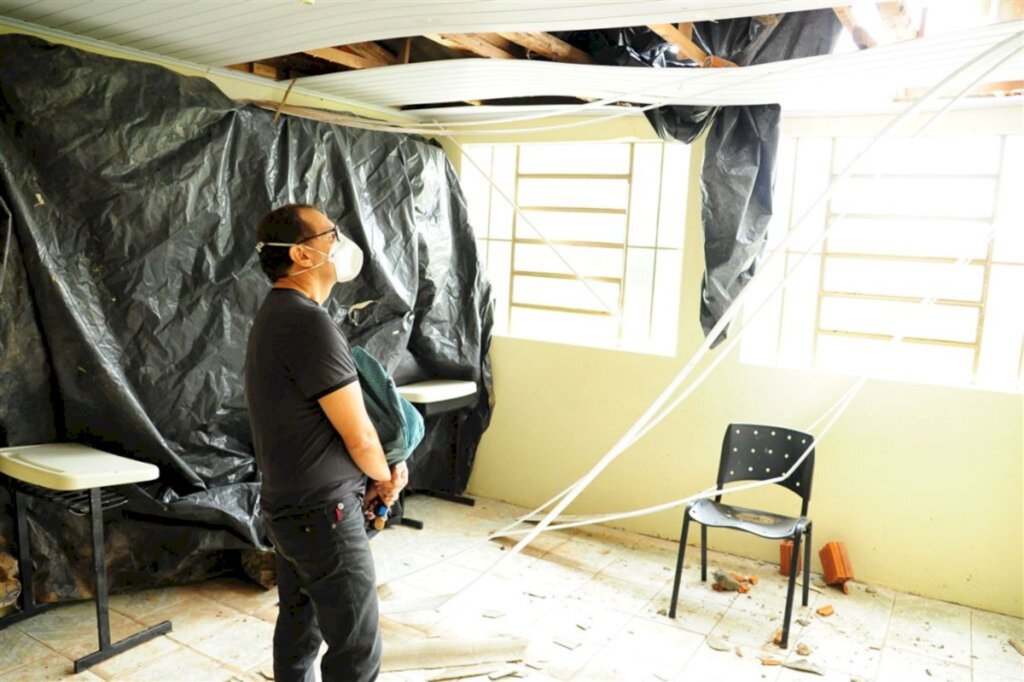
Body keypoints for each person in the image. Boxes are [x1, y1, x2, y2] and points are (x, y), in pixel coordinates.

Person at [244, 203, 408, 682]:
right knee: (356, 645)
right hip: (325, 514)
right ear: (300, 254)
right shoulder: (308, 323)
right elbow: (358, 433)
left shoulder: (278, 314)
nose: (341, 241)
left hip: (291, 508)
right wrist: (385, 478)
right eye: (331, 234)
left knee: (299, 625)